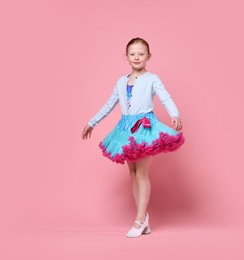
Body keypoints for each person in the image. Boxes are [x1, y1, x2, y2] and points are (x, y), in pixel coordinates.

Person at [81, 37, 185, 238]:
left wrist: (175, 114)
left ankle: (138, 220)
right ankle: (143, 218)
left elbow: (165, 97)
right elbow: (109, 104)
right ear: (127, 56)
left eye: (141, 53)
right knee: (133, 172)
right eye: (132, 54)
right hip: (125, 128)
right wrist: (92, 122)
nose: (136, 57)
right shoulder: (121, 81)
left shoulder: (152, 79)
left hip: (145, 126)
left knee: (142, 173)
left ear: (148, 56)